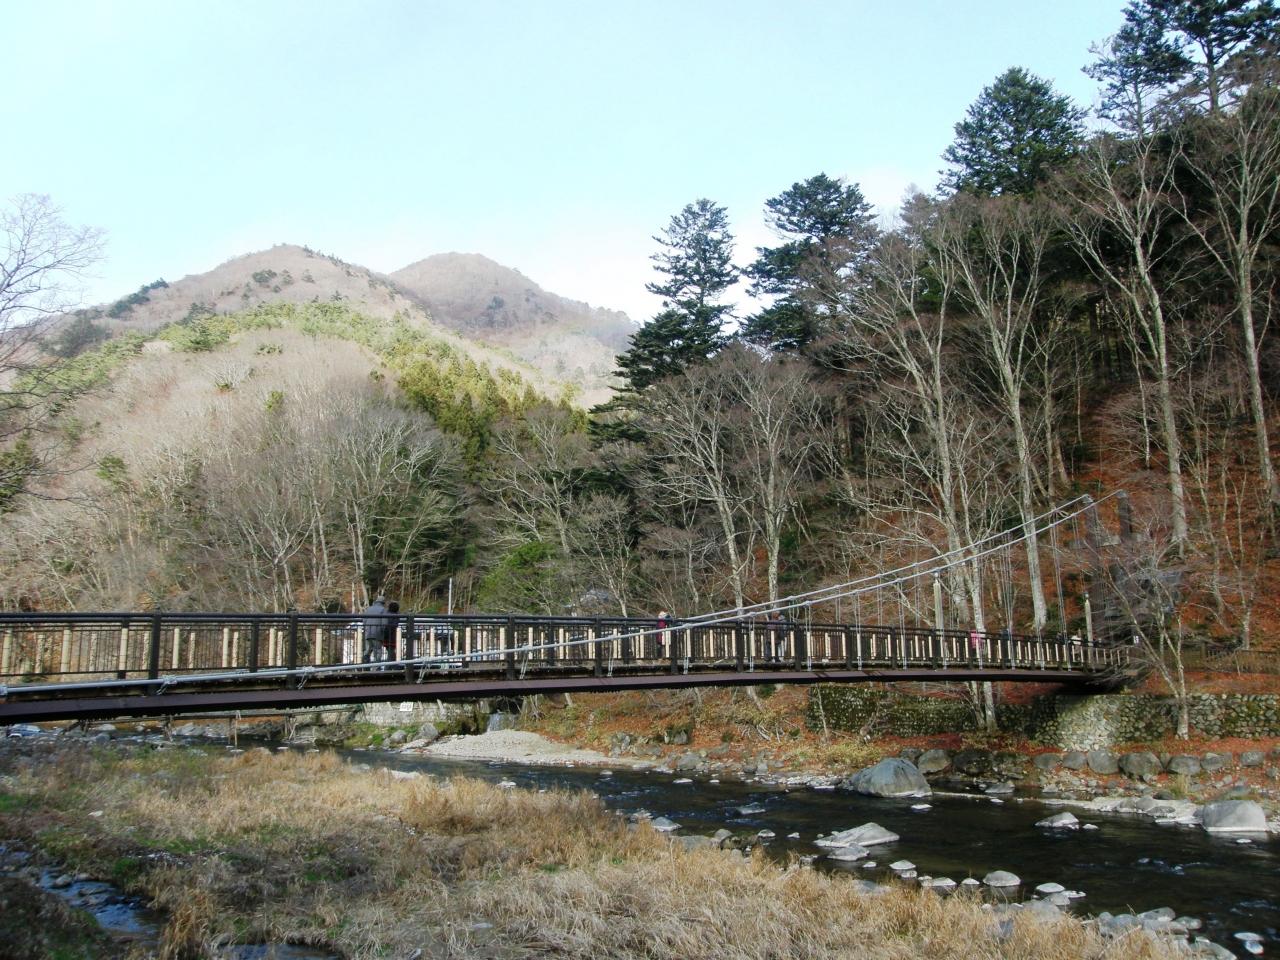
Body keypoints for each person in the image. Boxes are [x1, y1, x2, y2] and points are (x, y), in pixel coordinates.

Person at [361, 596, 389, 663]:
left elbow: (364, 620)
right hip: (377, 633)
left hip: (368, 632)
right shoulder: (383, 610)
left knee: (367, 650)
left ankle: (365, 665)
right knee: (377, 650)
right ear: (383, 603)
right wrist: (383, 631)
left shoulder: (369, 609)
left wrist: (366, 628)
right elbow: (384, 623)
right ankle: (376, 667)